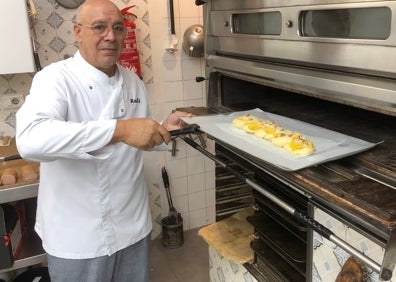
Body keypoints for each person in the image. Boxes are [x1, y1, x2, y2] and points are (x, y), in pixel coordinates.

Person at [15, 0, 191, 281]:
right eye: (99, 27)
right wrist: (119, 130)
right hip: (78, 238)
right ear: (78, 32)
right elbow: (30, 140)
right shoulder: (55, 79)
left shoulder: (133, 81)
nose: (110, 36)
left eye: (118, 28)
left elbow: (138, 136)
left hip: (132, 226)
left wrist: (163, 128)